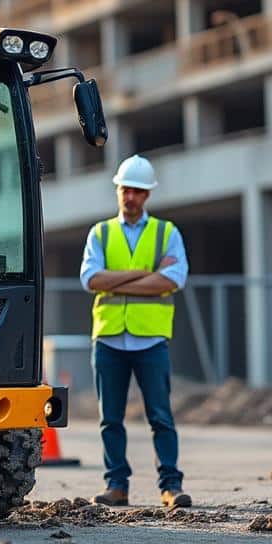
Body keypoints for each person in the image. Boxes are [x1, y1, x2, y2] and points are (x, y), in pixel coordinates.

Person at [79, 155, 190, 508]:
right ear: (118, 190)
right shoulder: (100, 233)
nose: (131, 196)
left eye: (138, 191)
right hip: (109, 338)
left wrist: (117, 280)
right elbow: (91, 280)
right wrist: (145, 274)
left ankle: (170, 486)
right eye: (126, 189)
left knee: (160, 416)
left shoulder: (166, 232)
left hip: (150, 340)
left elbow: (173, 280)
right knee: (110, 418)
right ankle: (117, 486)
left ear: (148, 195)